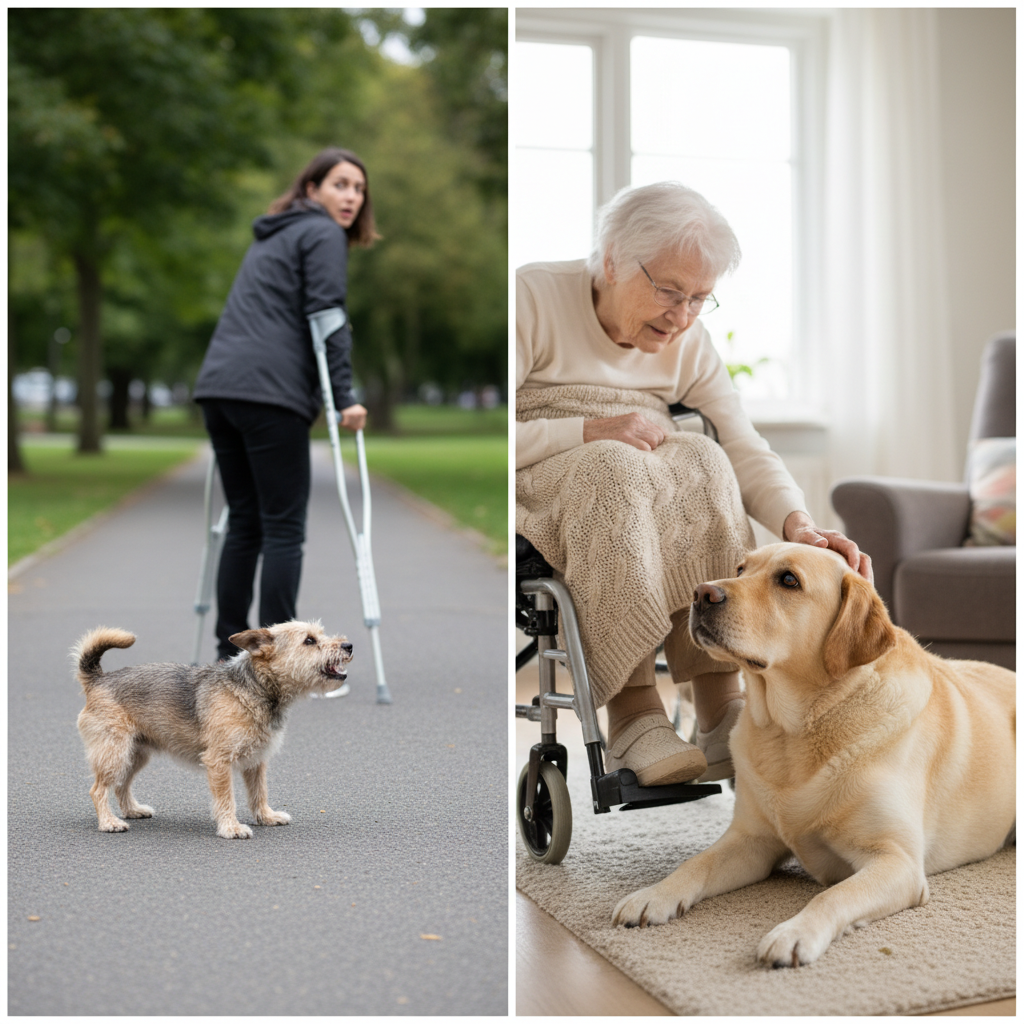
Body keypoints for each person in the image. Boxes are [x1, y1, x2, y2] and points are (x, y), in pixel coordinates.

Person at [516, 181, 871, 785]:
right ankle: (633, 715)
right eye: (669, 292)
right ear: (610, 260)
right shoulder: (531, 296)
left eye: (700, 299)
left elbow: (742, 442)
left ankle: (718, 706)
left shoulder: (689, 341)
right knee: (613, 466)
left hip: (640, 468)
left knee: (706, 460)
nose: (681, 317)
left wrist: (798, 524)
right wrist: (587, 430)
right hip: (539, 473)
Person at [193, 147, 378, 661]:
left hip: (219, 389)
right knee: (282, 527)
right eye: (340, 184)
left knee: (245, 520)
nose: (351, 197)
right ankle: (280, 657)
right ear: (312, 188)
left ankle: (229, 653)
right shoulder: (322, 233)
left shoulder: (276, 233)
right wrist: (346, 397)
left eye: (359, 189)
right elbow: (327, 318)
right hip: (270, 393)